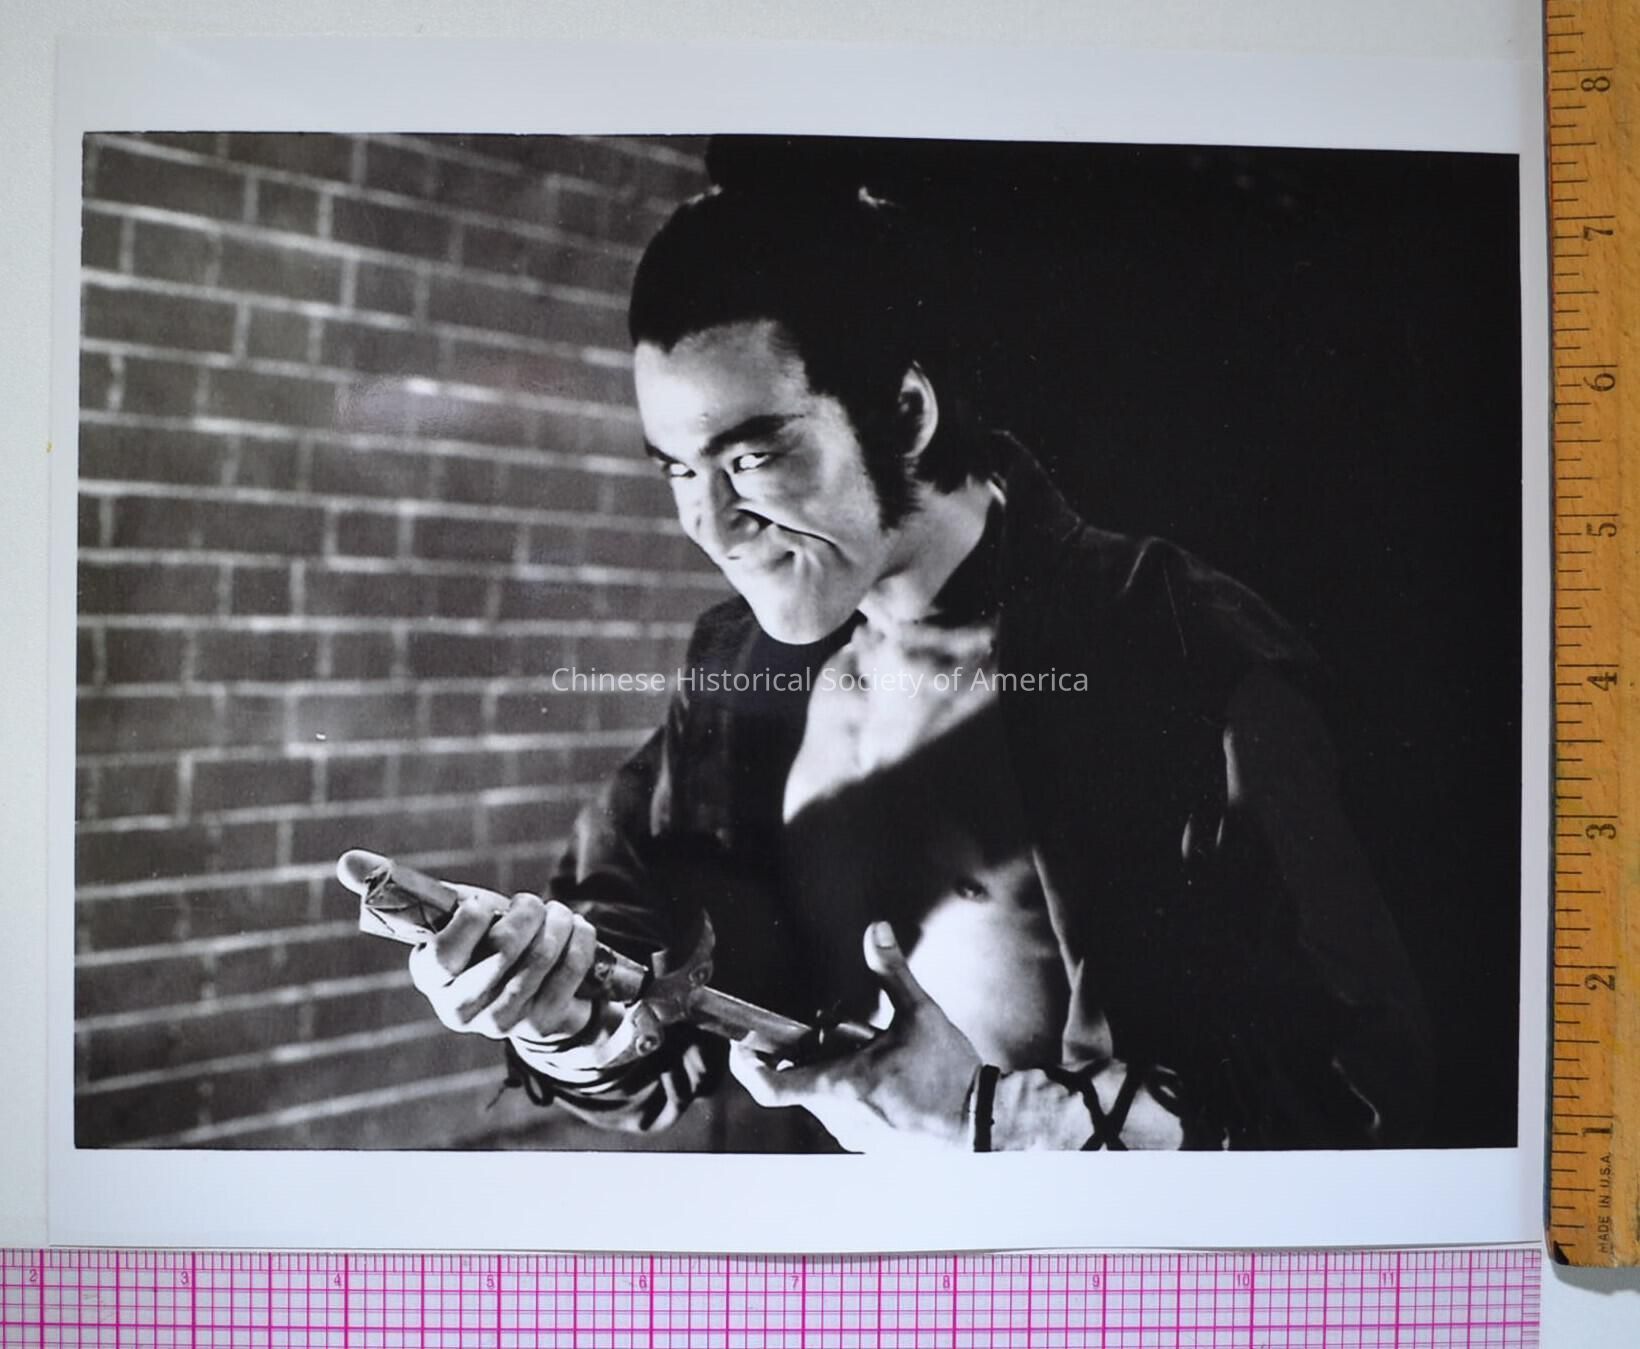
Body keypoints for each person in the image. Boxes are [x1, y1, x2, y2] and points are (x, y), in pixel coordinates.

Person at [406, 185, 1432, 1152]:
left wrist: (998, 1124)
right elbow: (646, 989)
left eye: (751, 458)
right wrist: (555, 1003)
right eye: (680, 468)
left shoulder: (1179, 649)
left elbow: (1372, 1100)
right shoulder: (736, 666)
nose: (709, 523)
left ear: (904, 413)